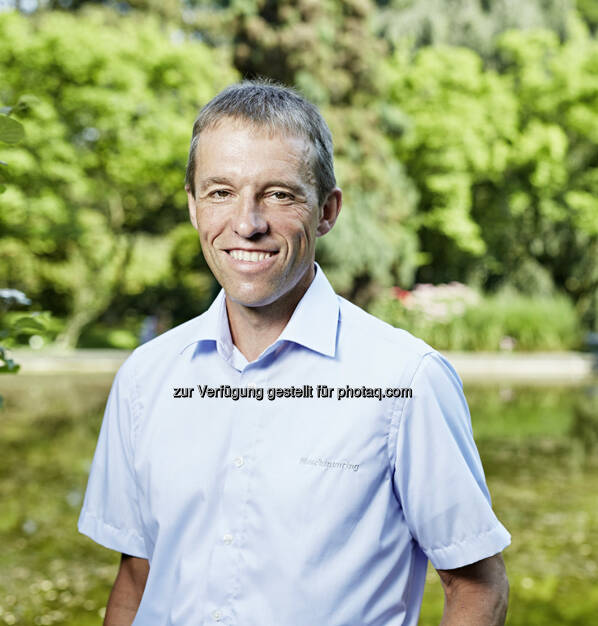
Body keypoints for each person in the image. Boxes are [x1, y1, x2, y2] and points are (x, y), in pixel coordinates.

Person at [79, 81, 510, 626]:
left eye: (279, 194)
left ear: (327, 211)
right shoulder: (145, 377)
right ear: (193, 207)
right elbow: (138, 577)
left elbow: (477, 587)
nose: (247, 223)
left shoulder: (408, 379)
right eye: (220, 192)